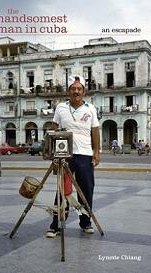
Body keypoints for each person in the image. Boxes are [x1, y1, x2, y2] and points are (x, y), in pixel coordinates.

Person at [46, 75, 100, 238]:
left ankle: (85, 223)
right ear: (68, 91)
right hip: (65, 155)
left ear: (84, 92)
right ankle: (57, 224)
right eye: (73, 88)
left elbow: (95, 131)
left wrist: (96, 152)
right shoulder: (61, 108)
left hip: (85, 154)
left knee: (86, 190)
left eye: (79, 89)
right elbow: (54, 129)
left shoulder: (91, 109)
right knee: (62, 190)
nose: (76, 91)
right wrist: (53, 153)